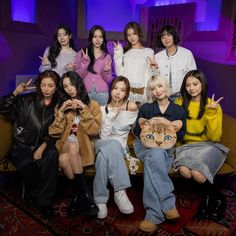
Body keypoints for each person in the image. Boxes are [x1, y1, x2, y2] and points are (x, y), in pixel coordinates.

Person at [0, 70, 60, 218]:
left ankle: (45, 202)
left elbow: (57, 130)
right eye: (43, 85)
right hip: (22, 147)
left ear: (56, 87)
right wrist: (15, 93)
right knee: (28, 164)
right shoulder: (25, 100)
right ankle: (32, 189)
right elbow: (3, 109)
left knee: (52, 155)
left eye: (50, 86)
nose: (46, 89)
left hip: (44, 145)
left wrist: (43, 146)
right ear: (39, 85)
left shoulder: (58, 106)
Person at [133, 75, 186, 233]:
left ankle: (154, 215)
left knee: (154, 159)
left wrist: (168, 127)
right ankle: (168, 204)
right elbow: (136, 132)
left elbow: (181, 134)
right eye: (153, 88)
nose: (157, 91)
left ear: (166, 87)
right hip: (144, 147)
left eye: (160, 86)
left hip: (166, 149)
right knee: (154, 155)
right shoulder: (146, 108)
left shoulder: (178, 110)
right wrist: (145, 126)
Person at [174, 70, 229, 220]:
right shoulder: (179, 102)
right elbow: (175, 126)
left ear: (202, 84)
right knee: (185, 172)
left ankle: (216, 199)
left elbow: (215, 136)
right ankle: (207, 196)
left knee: (198, 174)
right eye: (188, 85)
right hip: (186, 147)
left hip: (208, 146)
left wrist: (211, 114)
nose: (191, 88)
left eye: (195, 84)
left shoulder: (213, 105)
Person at [48, 71, 101, 217]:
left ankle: (78, 197)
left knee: (63, 159)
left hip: (82, 150)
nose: (69, 88)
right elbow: (53, 133)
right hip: (65, 145)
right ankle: (87, 197)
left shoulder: (93, 105)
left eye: (72, 84)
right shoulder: (61, 106)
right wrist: (59, 115)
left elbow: (94, 131)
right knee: (71, 146)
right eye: (65, 86)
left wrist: (84, 109)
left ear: (78, 84)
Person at [93, 76, 138, 219]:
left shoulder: (131, 107)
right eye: (115, 88)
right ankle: (120, 190)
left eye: (122, 90)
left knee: (102, 157)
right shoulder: (101, 109)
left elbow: (137, 130)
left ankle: (100, 200)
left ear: (127, 93)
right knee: (111, 144)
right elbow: (103, 137)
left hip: (119, 149)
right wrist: (110, 117)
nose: (118, 92)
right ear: (111, 89)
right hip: (102, 142)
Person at [149, 25, 196, 100]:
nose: (166, 39)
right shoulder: (157, 57)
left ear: (174, 36)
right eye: (163, 37)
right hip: (164, 96)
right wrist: (154, 69)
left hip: (182, 96)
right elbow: (155, 79)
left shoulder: (187, 54)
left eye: (169, 35)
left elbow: (193, 76)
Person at [114, 21, 154, 103]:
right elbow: (119, 73)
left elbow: (151, 75)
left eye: (134, 33)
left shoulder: (149, 51)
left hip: (143, 93)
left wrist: (154, 68)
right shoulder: (125, 52)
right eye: (129, 35)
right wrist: (118, 54)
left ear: (139, 33)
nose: (132, 37)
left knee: (143, 115)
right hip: (127, 93)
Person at [75, 25, 112, 105]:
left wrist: (106, 71)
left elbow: (109, 80)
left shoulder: (107, 56)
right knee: (85, 116)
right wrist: (85, 62)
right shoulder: (82, 54)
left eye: (100, 37)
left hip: (102, 94)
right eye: (95, 36)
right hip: (85, 92)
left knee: (102, 117)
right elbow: (78, 76)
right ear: (91, 38)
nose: (98, 39)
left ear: (103, 39)